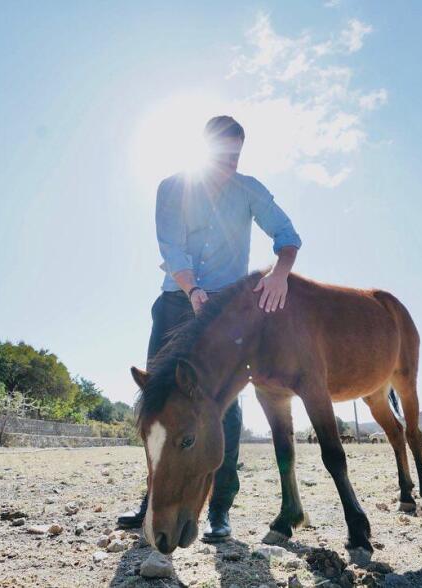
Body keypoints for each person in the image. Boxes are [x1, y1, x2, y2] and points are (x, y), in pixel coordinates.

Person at [116, 115, 302, 542]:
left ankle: (220, 509)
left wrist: (281, 273)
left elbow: (287, 234)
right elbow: (172, 246)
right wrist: (192, 288)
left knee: (224, 407)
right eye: (221, 155)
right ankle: (153, 502)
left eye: (235, 156)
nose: (228, 164)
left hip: (223, 314)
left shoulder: (249, 189)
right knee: (161, 406)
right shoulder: (172, 188)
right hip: (176, 301)